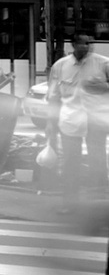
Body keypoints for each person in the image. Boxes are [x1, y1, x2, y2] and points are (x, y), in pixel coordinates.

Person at [45, 31, 109, 203]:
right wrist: (50, 124)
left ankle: (95, 204)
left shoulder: (103, 64)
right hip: (70, 120)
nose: (86, 47)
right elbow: (53, 97)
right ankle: (70, 203)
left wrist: (103, 86)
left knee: (98, 162)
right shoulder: (60, 66)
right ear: (73, 45)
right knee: (70, 163)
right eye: (82, 43)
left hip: (96, 121)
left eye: (89, 43)